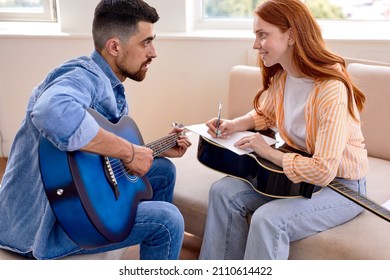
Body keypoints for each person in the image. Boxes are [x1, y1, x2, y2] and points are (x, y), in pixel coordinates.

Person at [0, 0, 191, 260]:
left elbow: (99, 159)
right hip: (45, 224)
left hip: (79, 197)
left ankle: (131, 232)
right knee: (167, 221)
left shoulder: (111, 85)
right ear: (114, 46)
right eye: (146, 42)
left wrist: (152, 150)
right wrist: (130, 152)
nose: (154, 52)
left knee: (164, 171)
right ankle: (152, 235)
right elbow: (51, 112)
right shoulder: (82, 76)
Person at [199, 0, 368, 260]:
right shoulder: (283, 77)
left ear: (291, 35)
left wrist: (266, 151)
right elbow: (265, 114)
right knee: (222, 192)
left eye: (262, 35)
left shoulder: (331, 88)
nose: (255, 45)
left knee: (268, 220)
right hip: (298, 180)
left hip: (340, 187)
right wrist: (233, 124)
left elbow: (323, 170)